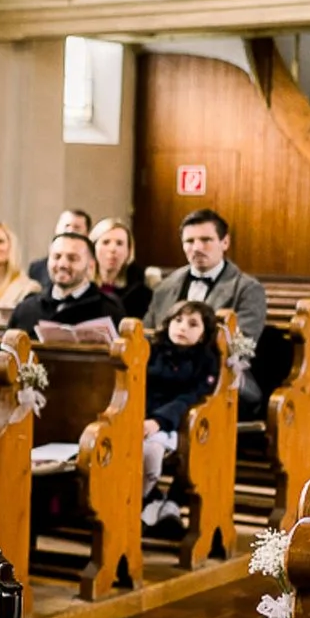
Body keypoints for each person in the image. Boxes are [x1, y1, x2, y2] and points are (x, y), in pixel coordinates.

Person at [143, 209, 269, 412]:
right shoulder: (166, 286)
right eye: (189, 241)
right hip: (164, 377)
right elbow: (148, 334)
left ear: (224, 242)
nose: (197, 248)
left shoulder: (248, 289)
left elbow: (239, 348)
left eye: (206, 240)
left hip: (220, 379)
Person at [140, 300, 221, 534]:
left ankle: (146, 503)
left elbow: (189, 398)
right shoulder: (152, 349)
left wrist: (158, 421)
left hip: (175, 424)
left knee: (151, 453)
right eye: (177, 320)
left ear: (204, 334)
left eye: (192, 324)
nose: (182, 327)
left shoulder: (206, 361)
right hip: (140, 416)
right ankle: (154, 507)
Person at [5, 232, 126, 335]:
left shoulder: (108, 310)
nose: (62, 264)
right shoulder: (27, 308)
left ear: (90, 266)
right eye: (57, 257)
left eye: (72, 258)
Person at [89, 216, 151, 320]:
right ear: (93, 247)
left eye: (119, 243)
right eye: (106, 242)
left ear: (128, 251)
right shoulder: (80, 286)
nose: (112, 249)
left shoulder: (141, 292)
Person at [23, 208, 90, 287]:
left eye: (77, 228)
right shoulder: (37, 268)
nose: (70, 231)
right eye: (67, 226)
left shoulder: (93, 266)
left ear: (87, 234)